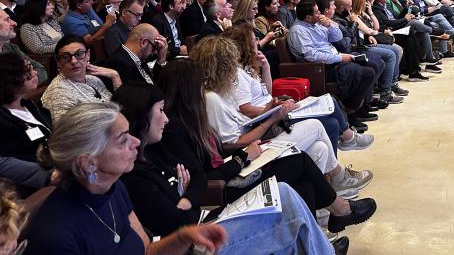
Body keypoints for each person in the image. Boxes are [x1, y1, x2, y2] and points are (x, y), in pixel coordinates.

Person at [113, 82, 344, 254]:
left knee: (298, 181)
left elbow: (196, 180)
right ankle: (338, 215)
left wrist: (184, 197)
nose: (165, 118)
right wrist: (187, 196)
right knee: (291, 182)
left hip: (204, 214)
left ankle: (326, 233)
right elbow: (176, 218)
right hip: (199, 232)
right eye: (160, 111)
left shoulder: (154, 151)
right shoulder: (139, 168)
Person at [23, 102, 229, 254]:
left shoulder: (114, 188)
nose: (137, 142)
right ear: (88, 163)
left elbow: (147, 251)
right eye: (123, 140)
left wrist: (183, 237)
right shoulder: (57, 237)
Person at [190, 35, 374, 200]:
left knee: (319, 149)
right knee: (315, 126)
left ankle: (322, 214)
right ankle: (340, 177)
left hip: (256, 141)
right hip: (247, 156)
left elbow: (241, 123)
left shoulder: (220, 91)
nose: (235, 68)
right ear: (221, 67)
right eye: (231, 63)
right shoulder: (212, 98)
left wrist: (269, 110)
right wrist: (271, 118)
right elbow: (231, 144)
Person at [225, 25, 372, 152]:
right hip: (265, 120)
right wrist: (276, 109)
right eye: (254, 40)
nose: (258, 42)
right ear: (245, 46)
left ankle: (345, 146)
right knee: (331, 121)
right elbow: (245, 109)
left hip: (273, 110)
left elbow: (267, 94)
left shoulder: (248, 66)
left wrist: (266, 67)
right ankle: (348, 139)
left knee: (329, 102)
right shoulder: (237, 74)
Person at [0, 54, 52, 194]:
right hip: (42, 184)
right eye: (28, 70)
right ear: (11, 80)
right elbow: (17, 159)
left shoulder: (28, 105)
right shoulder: (3, 121)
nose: (35, 72)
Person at [41, 36, 122, 121]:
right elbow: (67, 131)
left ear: (88, 55)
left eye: (79, 54)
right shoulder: (58, 92)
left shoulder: (93, 79)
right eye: (66, 57)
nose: (74, 61)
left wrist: (115, 76)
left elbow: (120, 108)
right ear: (58, 62)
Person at [102, 24, 168, 85]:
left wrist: (161, 59)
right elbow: (139, 95)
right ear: (143, 42)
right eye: (154, 47)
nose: (155, 52)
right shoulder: (119, 63)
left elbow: (152, 80)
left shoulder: (135, 57)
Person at [0, 10, 47, 85]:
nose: (15, 23)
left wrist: (25, 83)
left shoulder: (11, 48)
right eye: (7, 20)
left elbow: (41, 69)